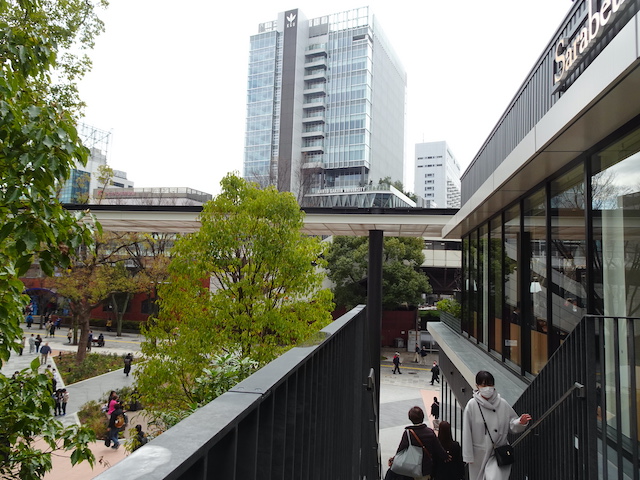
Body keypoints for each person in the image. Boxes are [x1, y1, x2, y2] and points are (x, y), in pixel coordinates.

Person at [462, 371, 532, 480]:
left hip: (498, 452)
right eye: (484, 385)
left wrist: (520, 422)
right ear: (477, 386)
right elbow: (467, 431)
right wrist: (468, 455)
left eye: (490, 384)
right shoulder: (472, 405)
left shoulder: (502, 403)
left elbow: (511, 424)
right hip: (479, 454)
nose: (487, 388)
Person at [390, 406, 449, 480]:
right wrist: (446, 456)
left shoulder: (408, 433)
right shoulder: (429, 432)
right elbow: (438, 448)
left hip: (412, 468)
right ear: (422, 417)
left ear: (410, 418)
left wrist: (394, 459)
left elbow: (401, 449)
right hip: (425, 468)